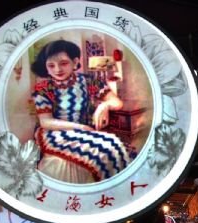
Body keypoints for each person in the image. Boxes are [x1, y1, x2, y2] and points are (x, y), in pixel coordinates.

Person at [31, 39, 133, 183]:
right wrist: (81, 128)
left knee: (115, 145)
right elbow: (46, 121)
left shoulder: (88, 81)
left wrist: (104, 106)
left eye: (63, 63)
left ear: (75, 62)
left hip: (82, 131)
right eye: (51, 65)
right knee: (107, 146)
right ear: (46, 68)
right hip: (54, 133)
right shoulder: (43, 88)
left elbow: (117, 102)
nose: (57, 70)